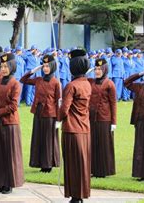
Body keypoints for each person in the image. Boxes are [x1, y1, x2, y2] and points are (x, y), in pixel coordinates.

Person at [0, 53, 24, 194]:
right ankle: (1, 183)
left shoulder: (15, 84)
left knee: (9, 154)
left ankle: (9, 183)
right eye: (2, 66)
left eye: (6, 66)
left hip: (9, 123)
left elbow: (14, 106)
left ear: (12, 67)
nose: (3, 69)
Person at [58, 48, 91, 203]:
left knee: (72, 164)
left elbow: (65, 110)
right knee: (82, 164)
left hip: (71, 129)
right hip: (84, 128)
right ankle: (80, 194)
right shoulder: (87, 84)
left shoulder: (72, 86)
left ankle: (75, 196)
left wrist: (58, 115)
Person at [20, 54, 61, 173]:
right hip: (38, 112)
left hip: (50, 113)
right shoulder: (39, 80)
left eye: (47, 66)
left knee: (48, 139)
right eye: (44, 66)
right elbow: (23, 80)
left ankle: (48, 164)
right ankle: (39, 162)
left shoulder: (56, 83)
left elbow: (59, 102)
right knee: (39, 138)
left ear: (52, 67)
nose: (45, 68)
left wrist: (59, 119)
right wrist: (33, 70)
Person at [88, 58, 117, 178]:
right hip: (92, 117)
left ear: (105, 70)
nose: (97, 71)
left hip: (104, 118)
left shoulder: (109, 84)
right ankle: (93, 169)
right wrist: (88, 70)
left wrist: (113, 122)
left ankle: (104, 170)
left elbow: (113, 103)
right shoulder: (91, 82)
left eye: (100, 69)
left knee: (104, 145)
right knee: (92, 144)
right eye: (96, 69)